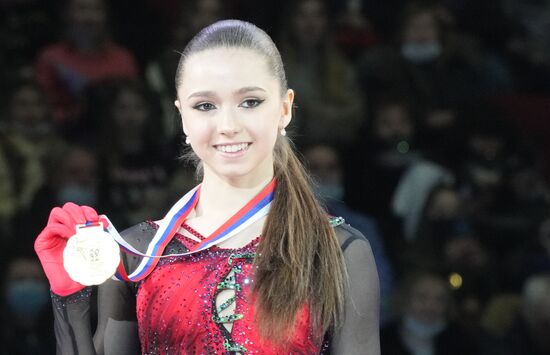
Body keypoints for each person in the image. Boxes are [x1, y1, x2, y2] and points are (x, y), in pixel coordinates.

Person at [34, 20, 380, 354]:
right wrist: (70, 295)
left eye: (250, 102)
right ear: (182, 116)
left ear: (285, 108)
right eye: (205, 106)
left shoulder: (337, 251)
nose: (227, 125)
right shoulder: (139, 253)